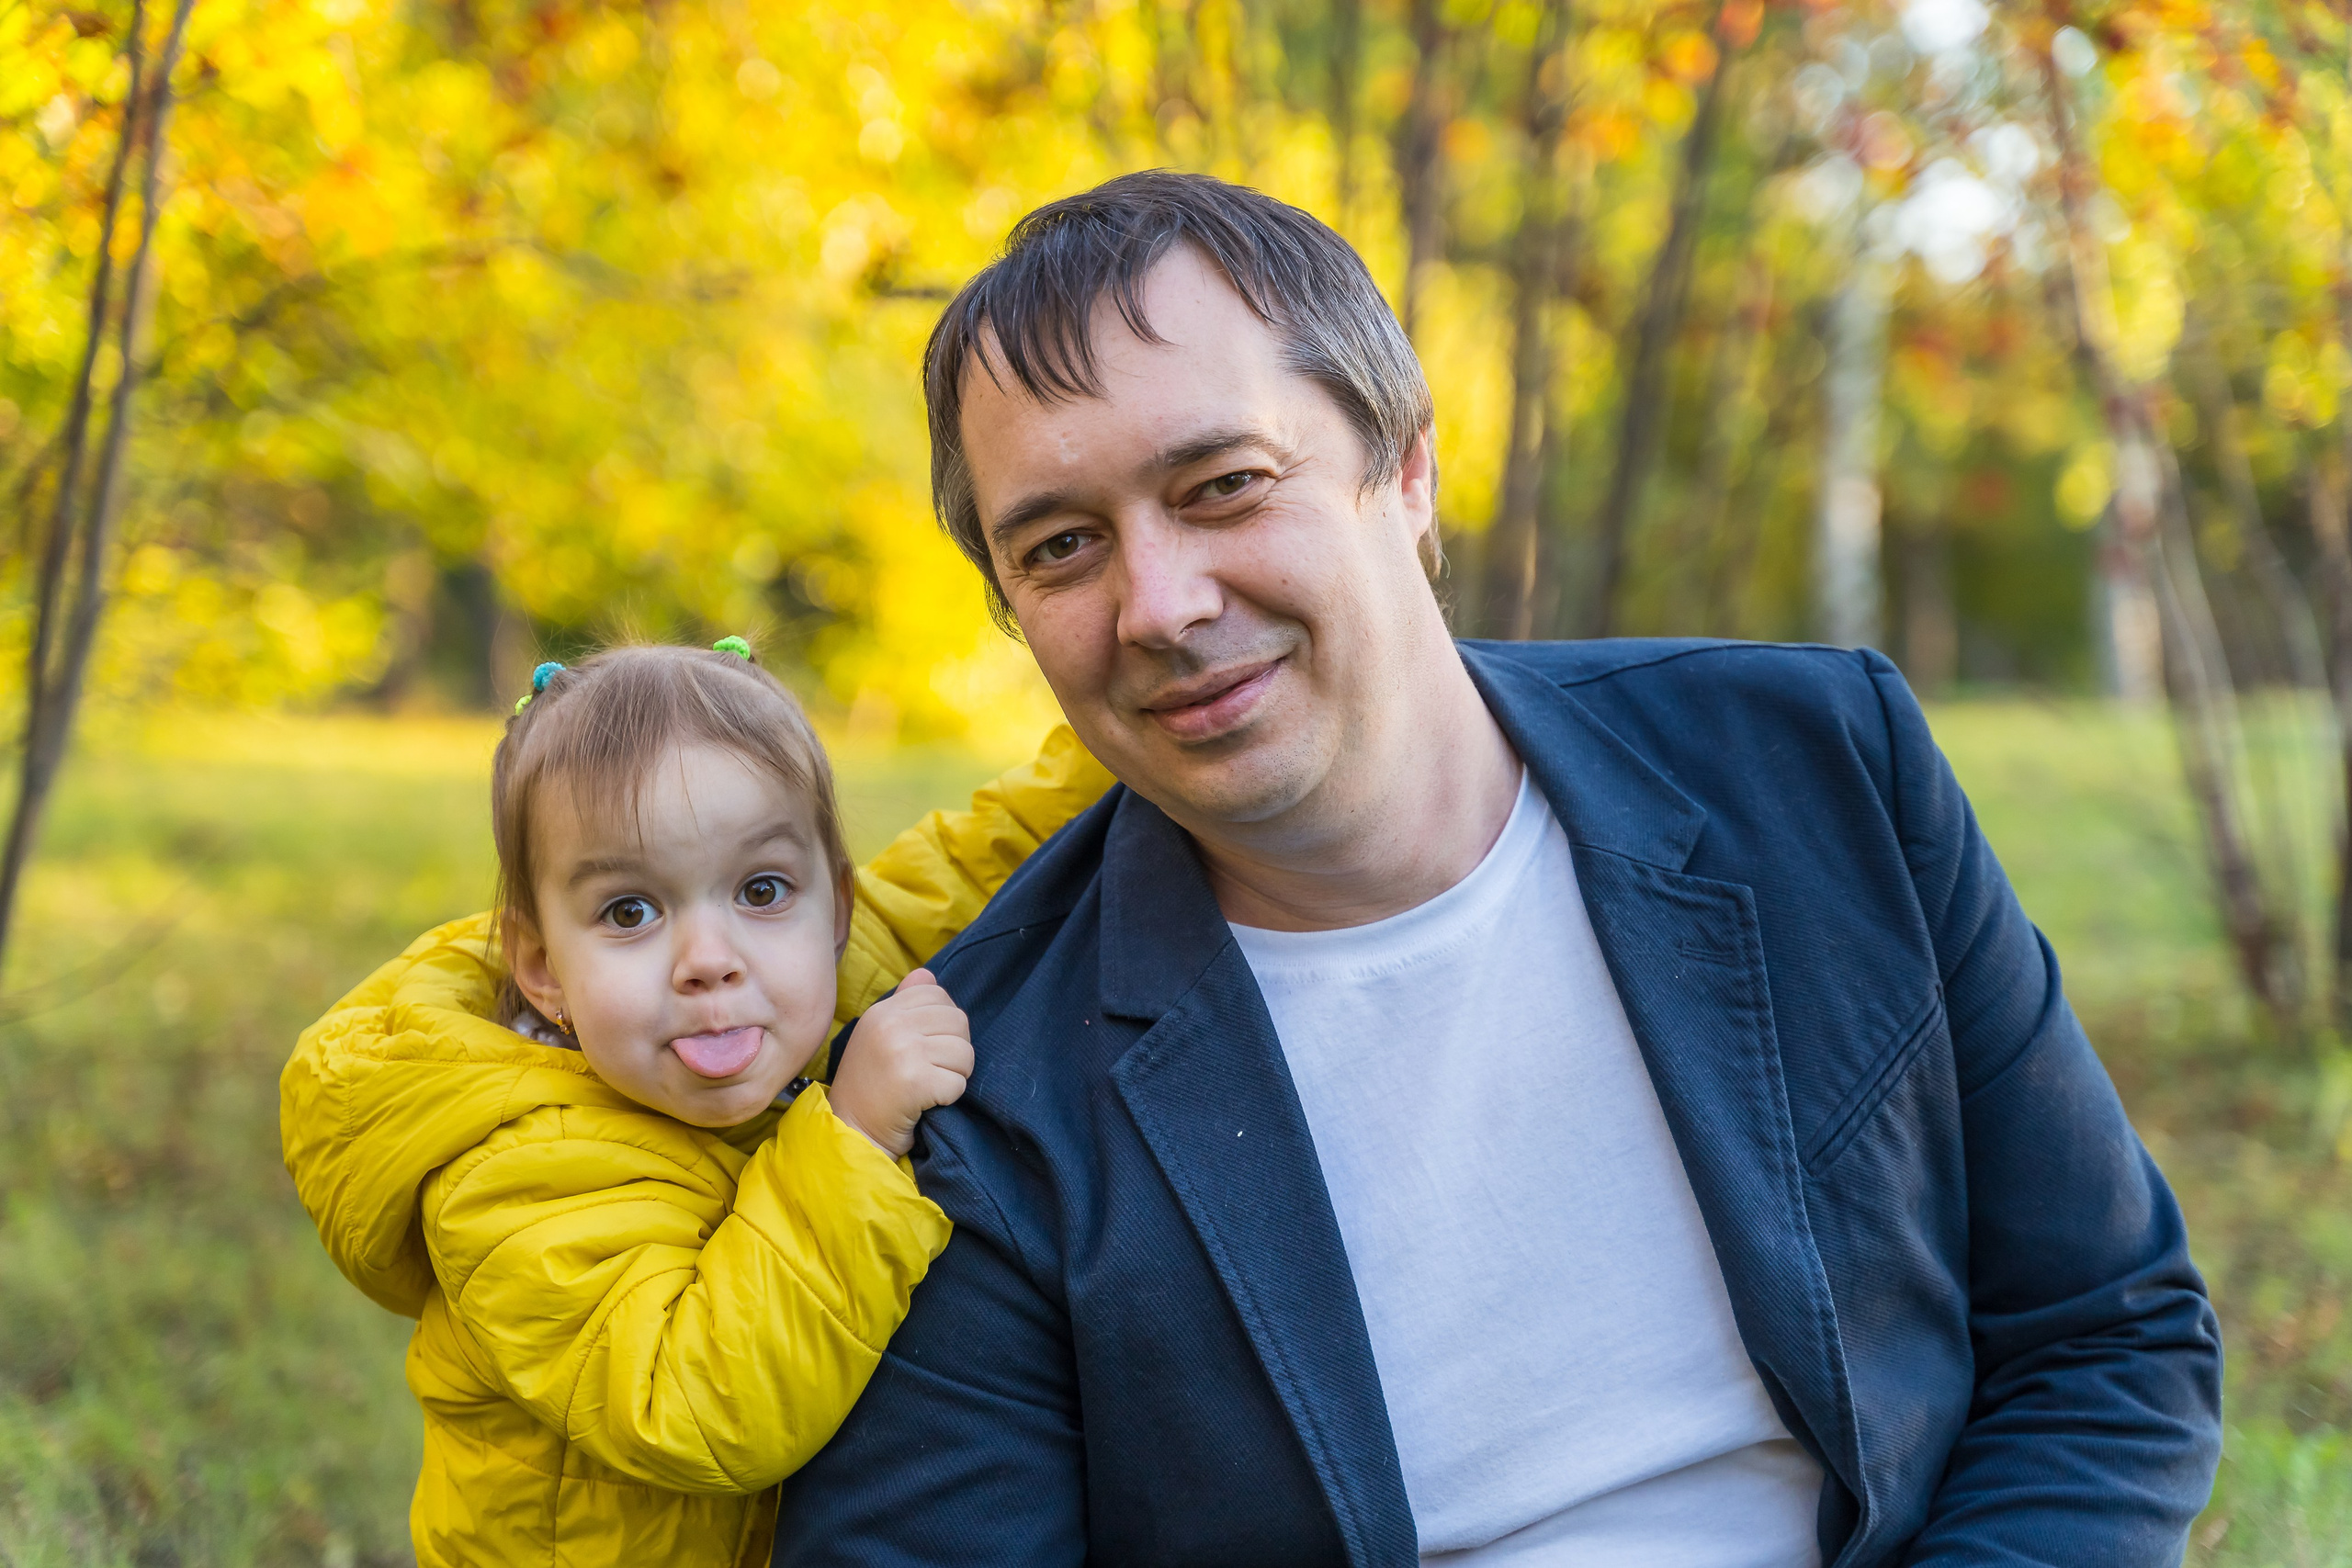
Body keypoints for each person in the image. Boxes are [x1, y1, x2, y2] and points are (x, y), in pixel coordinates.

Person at [766, 172, 2224, 1565]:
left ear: (1406, 469)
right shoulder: (976, 1086)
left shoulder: (1816, 767)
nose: (1159, 602)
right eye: (1064, 545)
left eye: (1223, 483)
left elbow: (2105, 1327)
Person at [279, 637, 1111, 1567]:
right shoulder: (513, 1175)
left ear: (834, 911)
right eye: (631, 911)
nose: (710, 957)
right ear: (544, 968)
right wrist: (854, 1136)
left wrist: (1127, 721)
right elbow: (702, 1411)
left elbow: (987, 855)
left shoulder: (817, 969)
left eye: (759, 889)